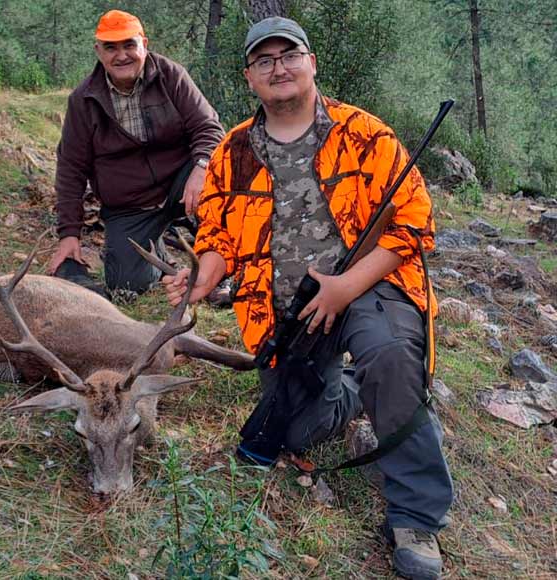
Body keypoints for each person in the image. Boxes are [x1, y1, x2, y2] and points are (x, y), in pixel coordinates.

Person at [162, 17, 453, 580]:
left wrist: (347, 286)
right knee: (293, 432)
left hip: (367, 285)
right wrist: (204, 275)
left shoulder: (366, 134)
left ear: (311, 63)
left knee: (389, 356)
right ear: (250, 78)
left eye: (288, 54)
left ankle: (416, 516)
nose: (279, 67)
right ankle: (352, 393)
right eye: (264, 60)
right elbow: (218, 235)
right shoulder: (234, 151)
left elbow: (414, 225)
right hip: (283, 310)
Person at [48, 9, 225, 299]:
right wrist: (69, 233)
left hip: (180, 187)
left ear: (144, 43)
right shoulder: (83, 100)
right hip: (130, 207)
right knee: (126, 287)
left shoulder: (171, 76)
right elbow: (71, 168)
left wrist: (203, 166)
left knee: (219, 184)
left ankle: (219, 270)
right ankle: (157, 256)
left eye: (129, 45)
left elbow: (208, 127)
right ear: (98, 51)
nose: (122, 56)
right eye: (111, 47)